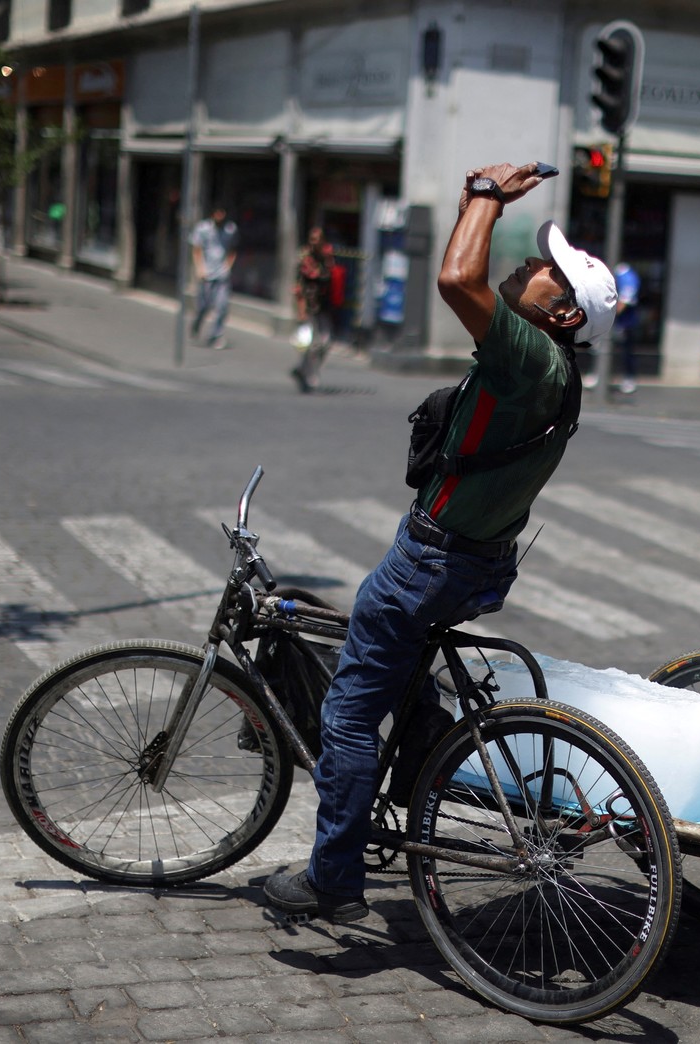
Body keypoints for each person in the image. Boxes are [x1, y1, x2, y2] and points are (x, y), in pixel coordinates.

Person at [263, 160, 616, 923]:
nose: (529, 264)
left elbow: (457, 280)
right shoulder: (546, 361)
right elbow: (472, 267)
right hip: (469, 560)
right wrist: (472, 204)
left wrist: (487, 199)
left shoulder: (530, 358)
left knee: (349, 718)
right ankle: (421, 751)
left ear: (561, 314)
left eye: (546, 271)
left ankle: (332, 881)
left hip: (431, 560)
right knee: (398, 675)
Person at [290, 227, 335, 391]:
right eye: (312, 239)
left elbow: (330, 280)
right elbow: (298, 286)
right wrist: (300, 309)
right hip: (309, 306)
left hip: (324, 306)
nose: (314, 242)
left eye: (317, 239)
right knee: (309, 344)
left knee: (325, 343)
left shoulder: (328, 257)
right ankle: (310, 374)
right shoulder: (304, 258)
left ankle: (303, 368)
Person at [188, 204, 238, 349]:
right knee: (204, 306)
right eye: (217, 212)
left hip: (222, 274)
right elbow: (196, 249)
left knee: (222, 306)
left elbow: (233, 250)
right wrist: (200, 269)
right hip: (207, 273)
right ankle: (197, 323)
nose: (220, 215)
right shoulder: (203, 228)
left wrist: (228, 267)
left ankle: (215, 335)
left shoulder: (230, 229)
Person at [613, 261, 641, 394]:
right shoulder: (621, 275)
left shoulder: (626, 276)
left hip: (626, 321)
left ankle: (629, 378)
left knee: (626, 351)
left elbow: (625, 300)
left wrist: (610, 315)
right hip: (619, 320)